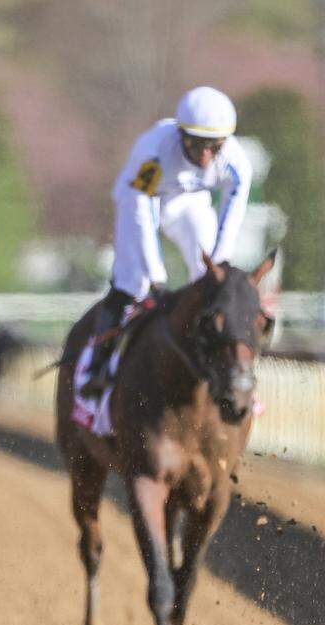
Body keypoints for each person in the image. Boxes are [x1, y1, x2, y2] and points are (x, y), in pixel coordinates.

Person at [82, 86, 252, 397]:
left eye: (213, 147)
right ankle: (97, 365)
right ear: (180, 133)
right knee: (134, 282)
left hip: (188, 202)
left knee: (210, 281)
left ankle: (218, 368)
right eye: (196, 144)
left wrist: (219, 264)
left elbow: (232, 216)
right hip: (139, 199)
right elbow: (142, 214)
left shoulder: (238, 163)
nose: (204, 156)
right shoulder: (153, 151)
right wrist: (158, 278)